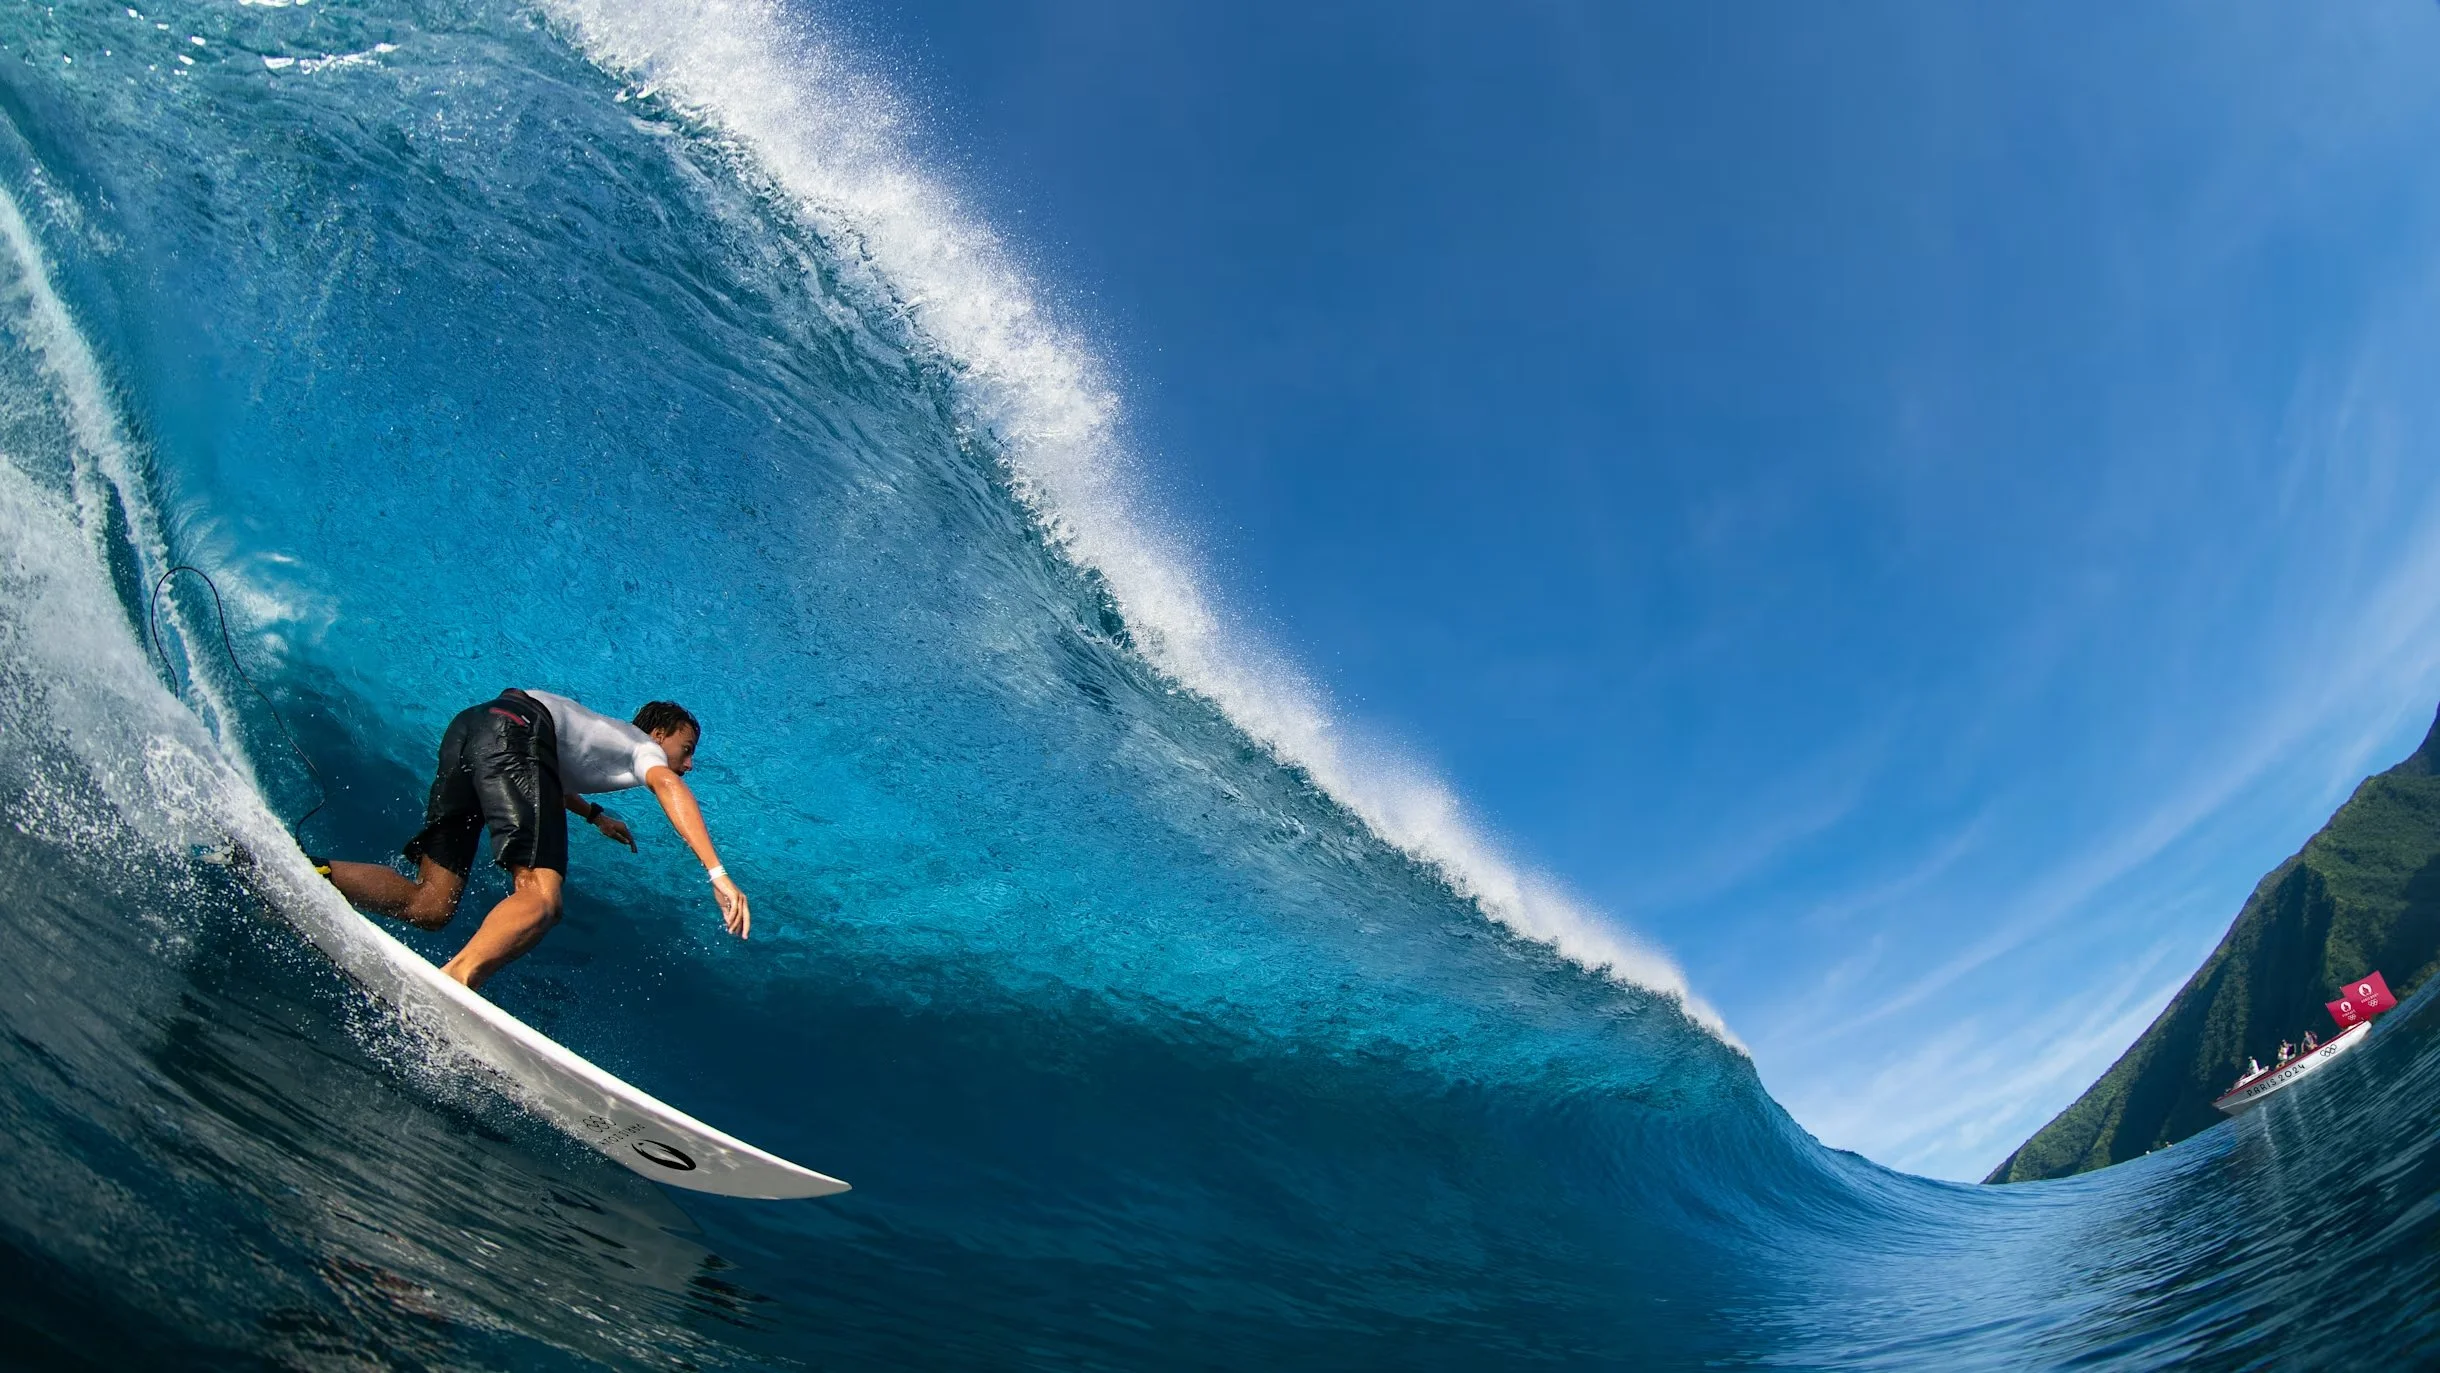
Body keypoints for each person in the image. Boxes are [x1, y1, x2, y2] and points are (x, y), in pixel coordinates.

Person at [322, 688, 749, 990]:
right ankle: (456, 979)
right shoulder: (644, 748)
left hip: (473, 726)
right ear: (660, 734)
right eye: (687, 748)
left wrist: (596, 815)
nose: (688, 763)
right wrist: (719, 875)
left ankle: (319, 872)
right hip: (519, 729)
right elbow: (668, 786)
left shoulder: (600, 736)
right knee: (543, 898)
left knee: (432, 904)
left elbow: (538, 778)